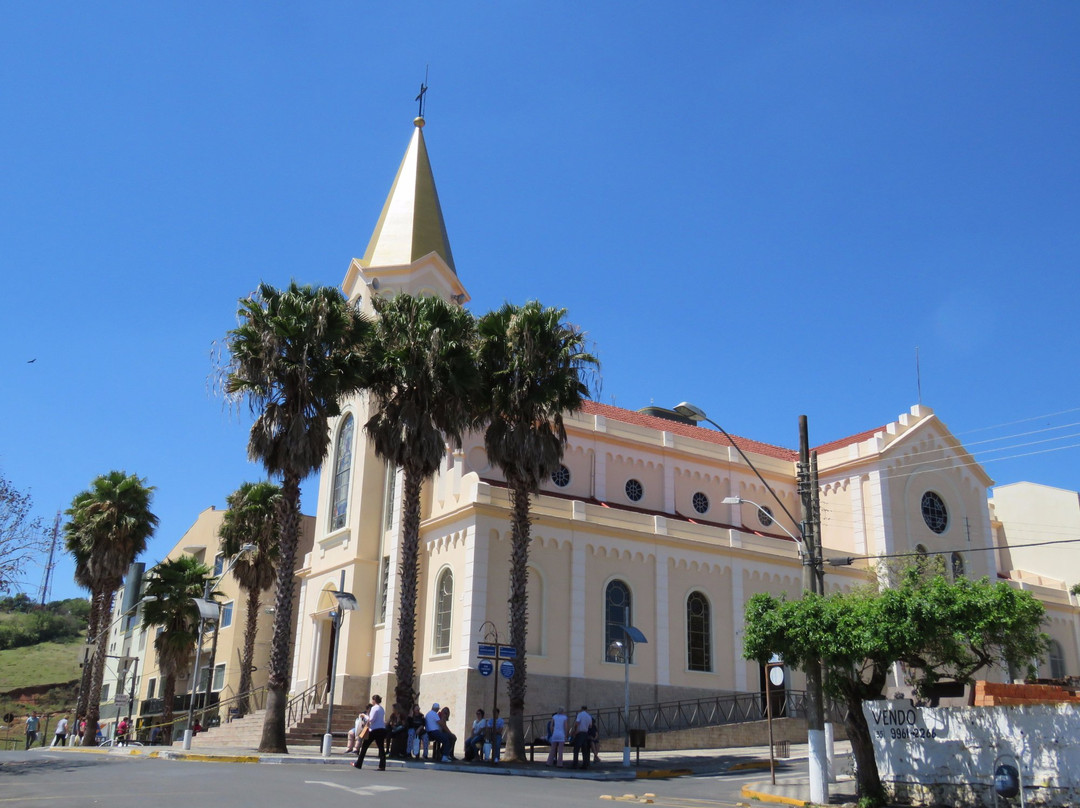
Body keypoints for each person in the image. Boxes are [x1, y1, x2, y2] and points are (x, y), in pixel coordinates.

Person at [353, 694, 387, 771]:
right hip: (381, 729)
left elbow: (371, 719)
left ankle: (358, 764)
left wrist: (364, 716)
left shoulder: (374, 708)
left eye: (372, 700)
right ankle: (382, 765)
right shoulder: (381, 708)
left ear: (374, 700)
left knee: (364, 747)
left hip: (374, 730)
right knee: (381, 748)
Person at [571, 705, 593, 769]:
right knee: (584, 750)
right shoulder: (589, 716)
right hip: (585, 733)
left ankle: (575, 764)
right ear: (586, 709)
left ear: (581, 709)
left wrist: (575, 730)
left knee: (576, 749)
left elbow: (577, 723)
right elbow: (590, 726)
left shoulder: (580, 714)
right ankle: (585, 765)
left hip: (579, 733)